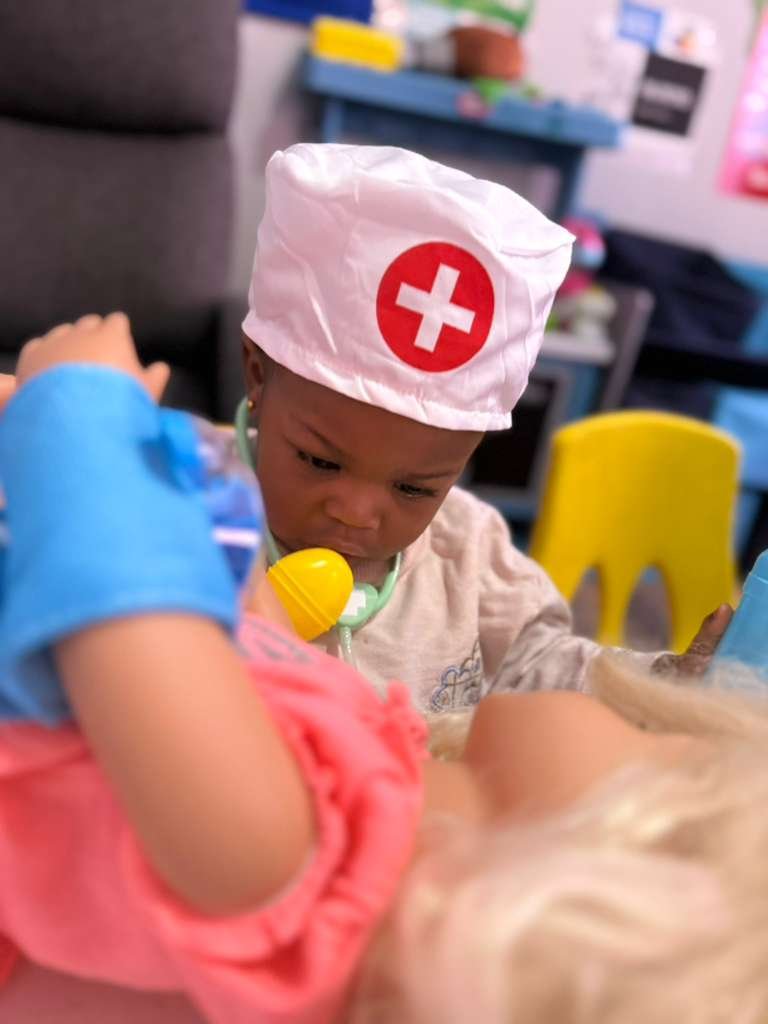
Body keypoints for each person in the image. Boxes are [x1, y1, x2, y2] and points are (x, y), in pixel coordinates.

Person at [0, 315, 765, 1024]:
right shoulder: (375, 771)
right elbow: (266, 667)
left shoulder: (295, 860)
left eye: (668, 756)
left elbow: (133, 628)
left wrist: (80, 415)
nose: (360, 514)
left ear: (566, 883)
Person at [236, 143, 730, 712]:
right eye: (321, 461)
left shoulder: (470, 553)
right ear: (257, 376)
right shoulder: (188, 513)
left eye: (416, 488)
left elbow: (541, 666)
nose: (358, 511)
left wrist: (659, 682)